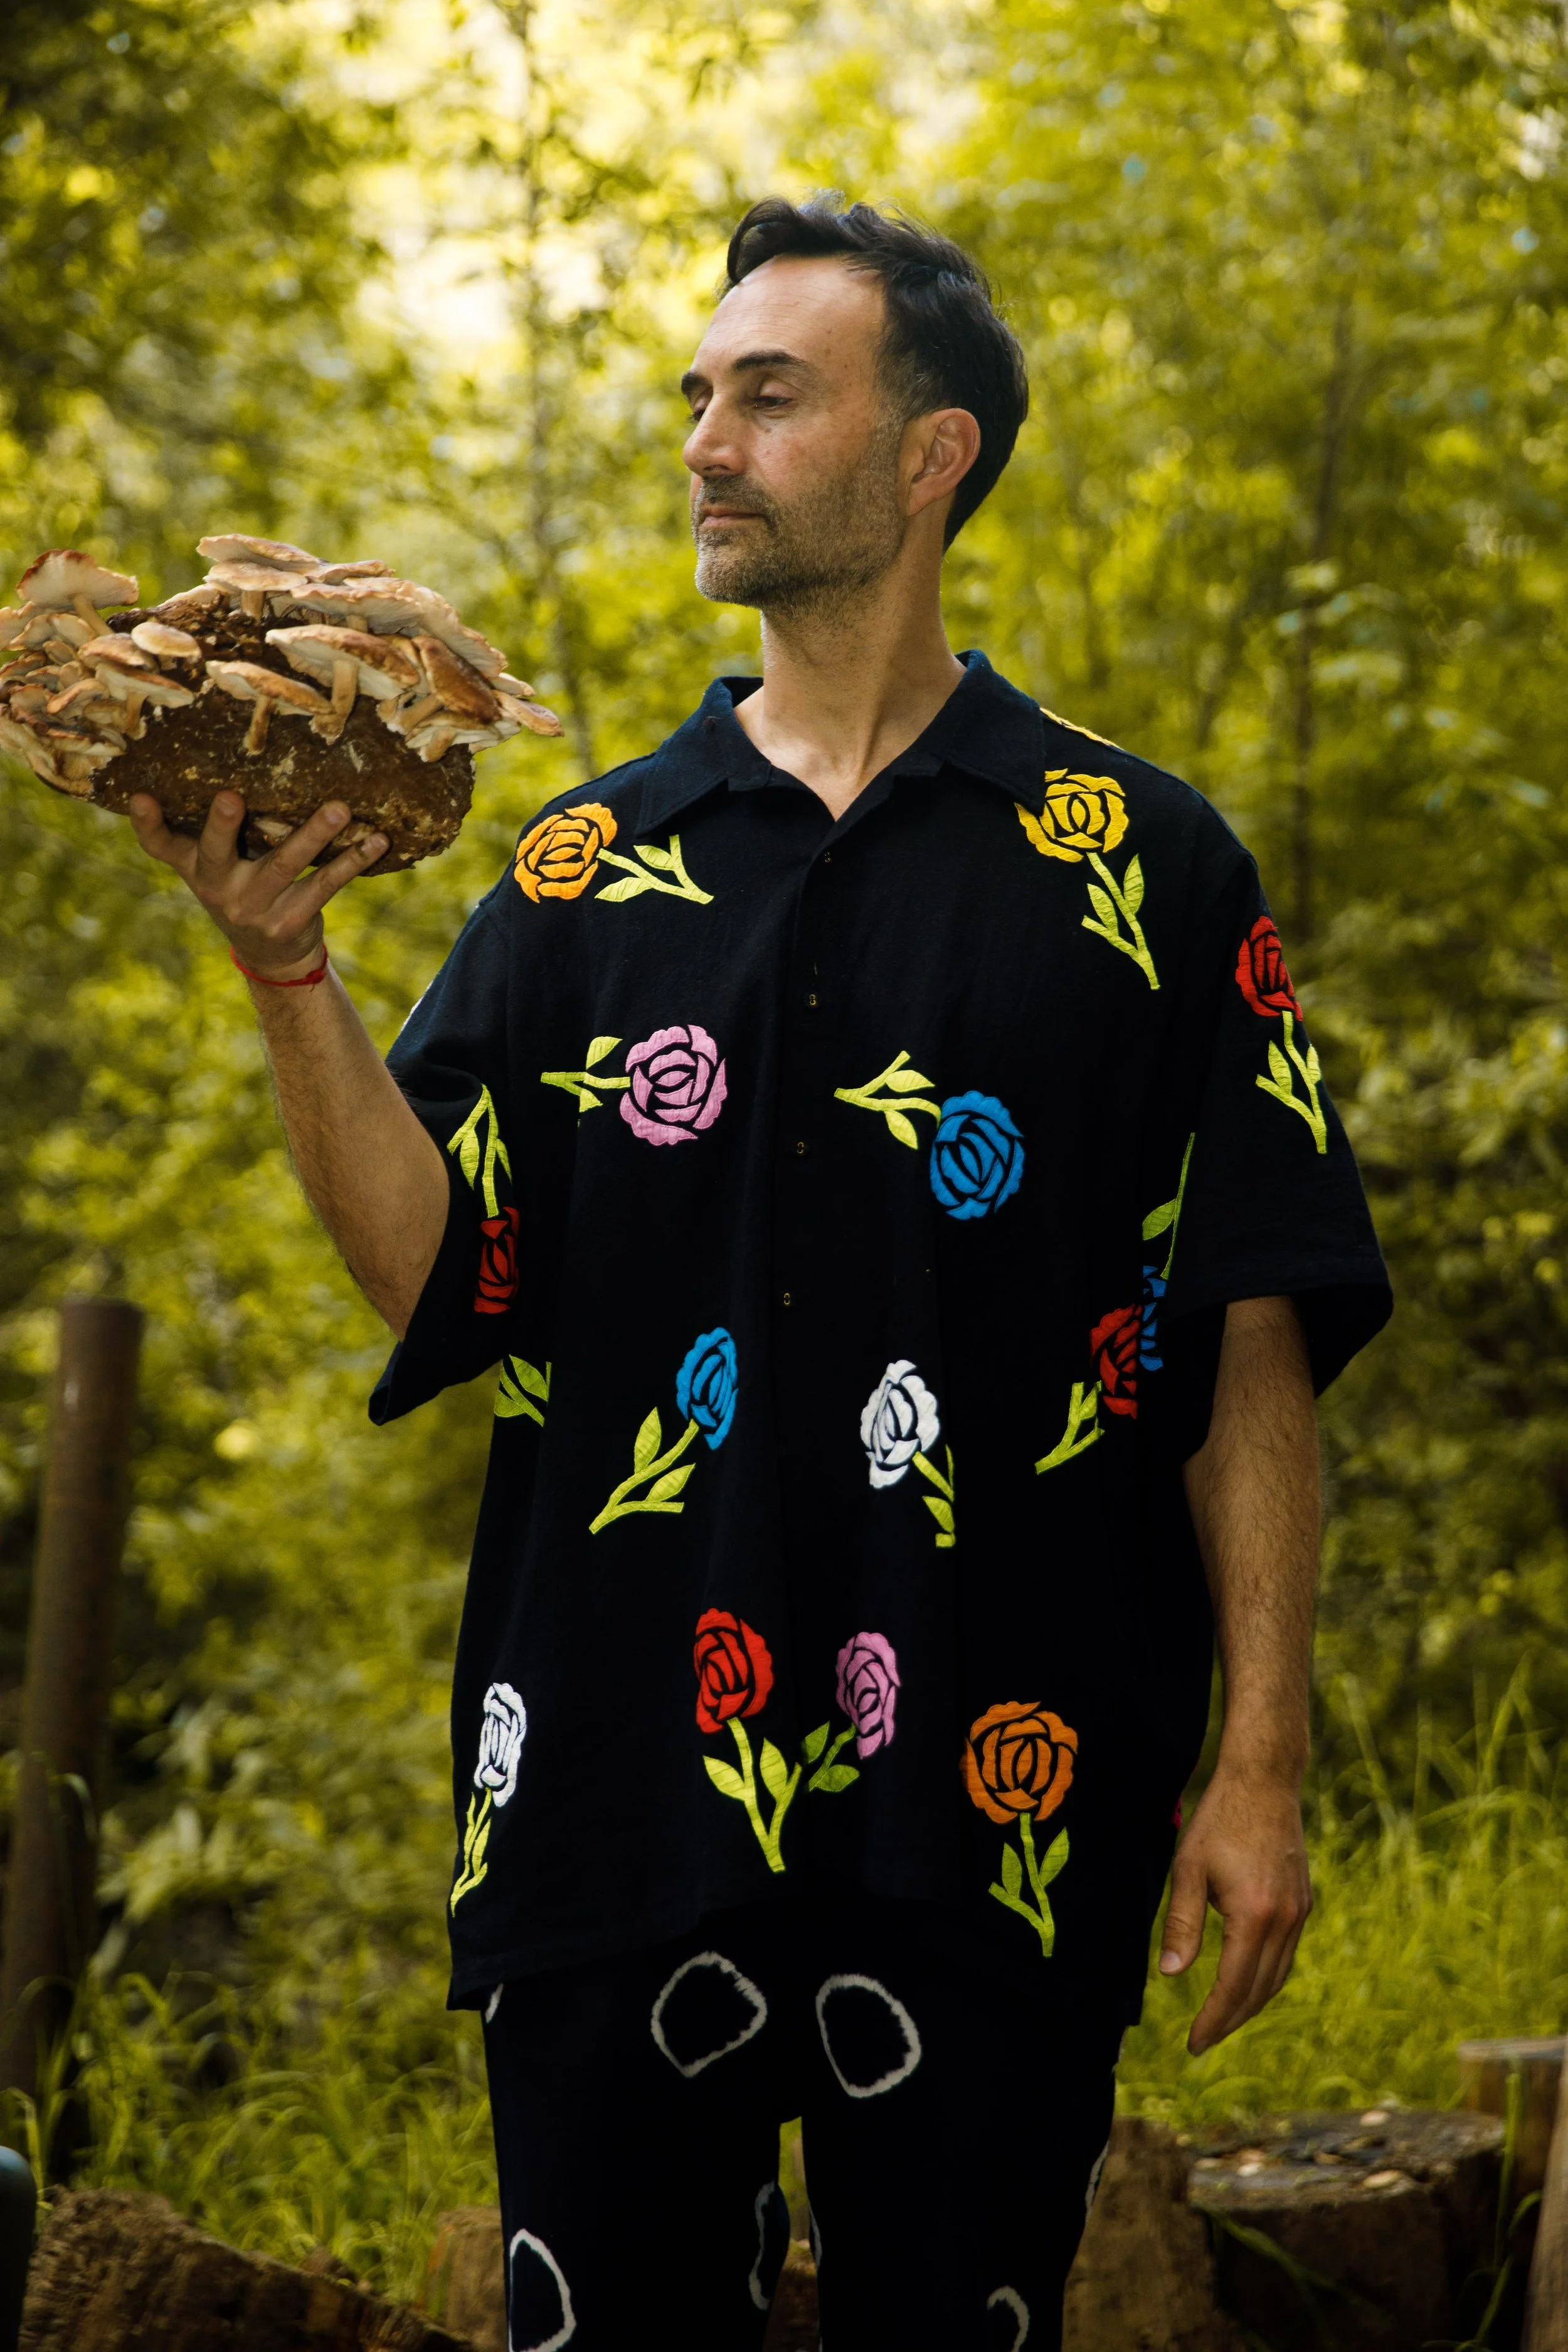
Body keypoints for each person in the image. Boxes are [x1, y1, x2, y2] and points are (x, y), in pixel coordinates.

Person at [129, 197, 1391, 2352]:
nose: (706, 437)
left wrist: (1255, 1756)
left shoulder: (1147, 862)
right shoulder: (576, 869)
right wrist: (281, 970)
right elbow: (442, 1268)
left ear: (932, 458)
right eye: (697, 396)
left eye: (769, 393)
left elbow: (1248, 1319)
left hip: (1012, 1781)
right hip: (616, 1780)